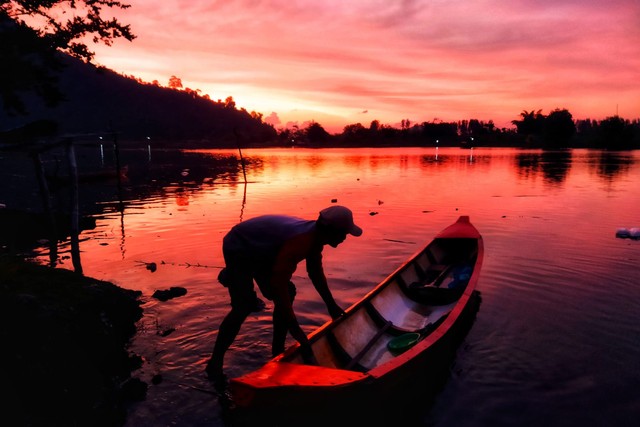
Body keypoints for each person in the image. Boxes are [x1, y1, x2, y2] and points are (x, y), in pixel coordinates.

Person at [205, 205, 362, 385]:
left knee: (288, 292)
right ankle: (215, 363)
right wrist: (296, 329)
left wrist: (331, 304)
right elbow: (279, 288)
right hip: (240, 245)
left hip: (265, 249)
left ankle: (277, 352)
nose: (344, 238)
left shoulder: (316, 238)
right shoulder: (299, 243)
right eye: (343, 233)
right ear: (330, 231)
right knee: (243, 306)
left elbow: (315, 272)